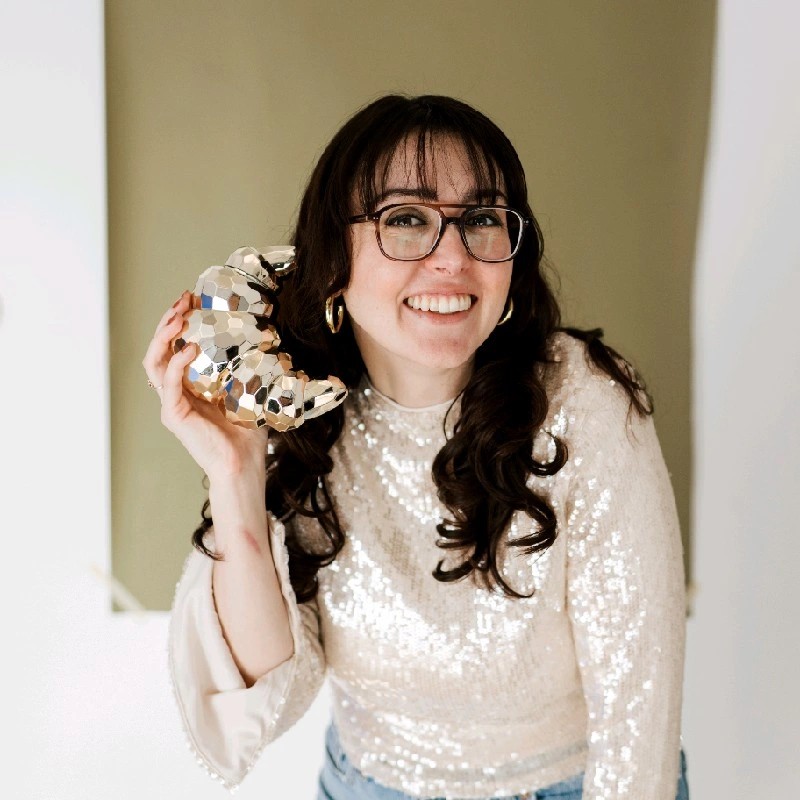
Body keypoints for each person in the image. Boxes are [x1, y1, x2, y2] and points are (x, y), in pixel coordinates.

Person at [143, 95, 689, 800]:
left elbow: (638, 720)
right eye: (405, 219)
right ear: (334, 256)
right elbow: (267, 700)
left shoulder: (585, 401)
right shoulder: (294, 409)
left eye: (482, 218)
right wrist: (236, 472)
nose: (453, 258)